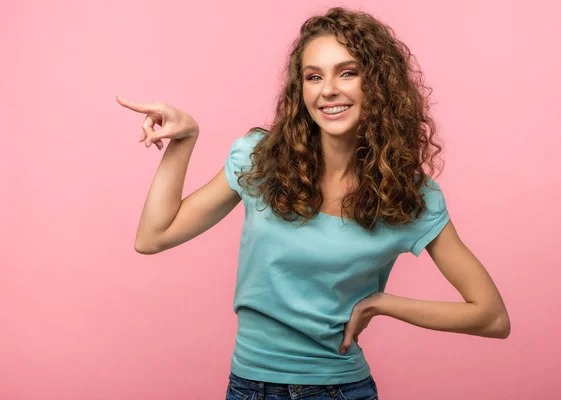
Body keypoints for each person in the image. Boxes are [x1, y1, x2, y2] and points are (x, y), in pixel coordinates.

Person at [117, 6, 510, 400]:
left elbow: (491, 316)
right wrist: (183, 141)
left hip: (340, 390)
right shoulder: (261, 160)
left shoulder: (409, 195)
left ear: (378, 84)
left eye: (348, 72)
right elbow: (153, 237)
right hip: (248, 388)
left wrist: (384, 304)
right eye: (314, 76)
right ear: (300, 88)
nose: (328, 90)